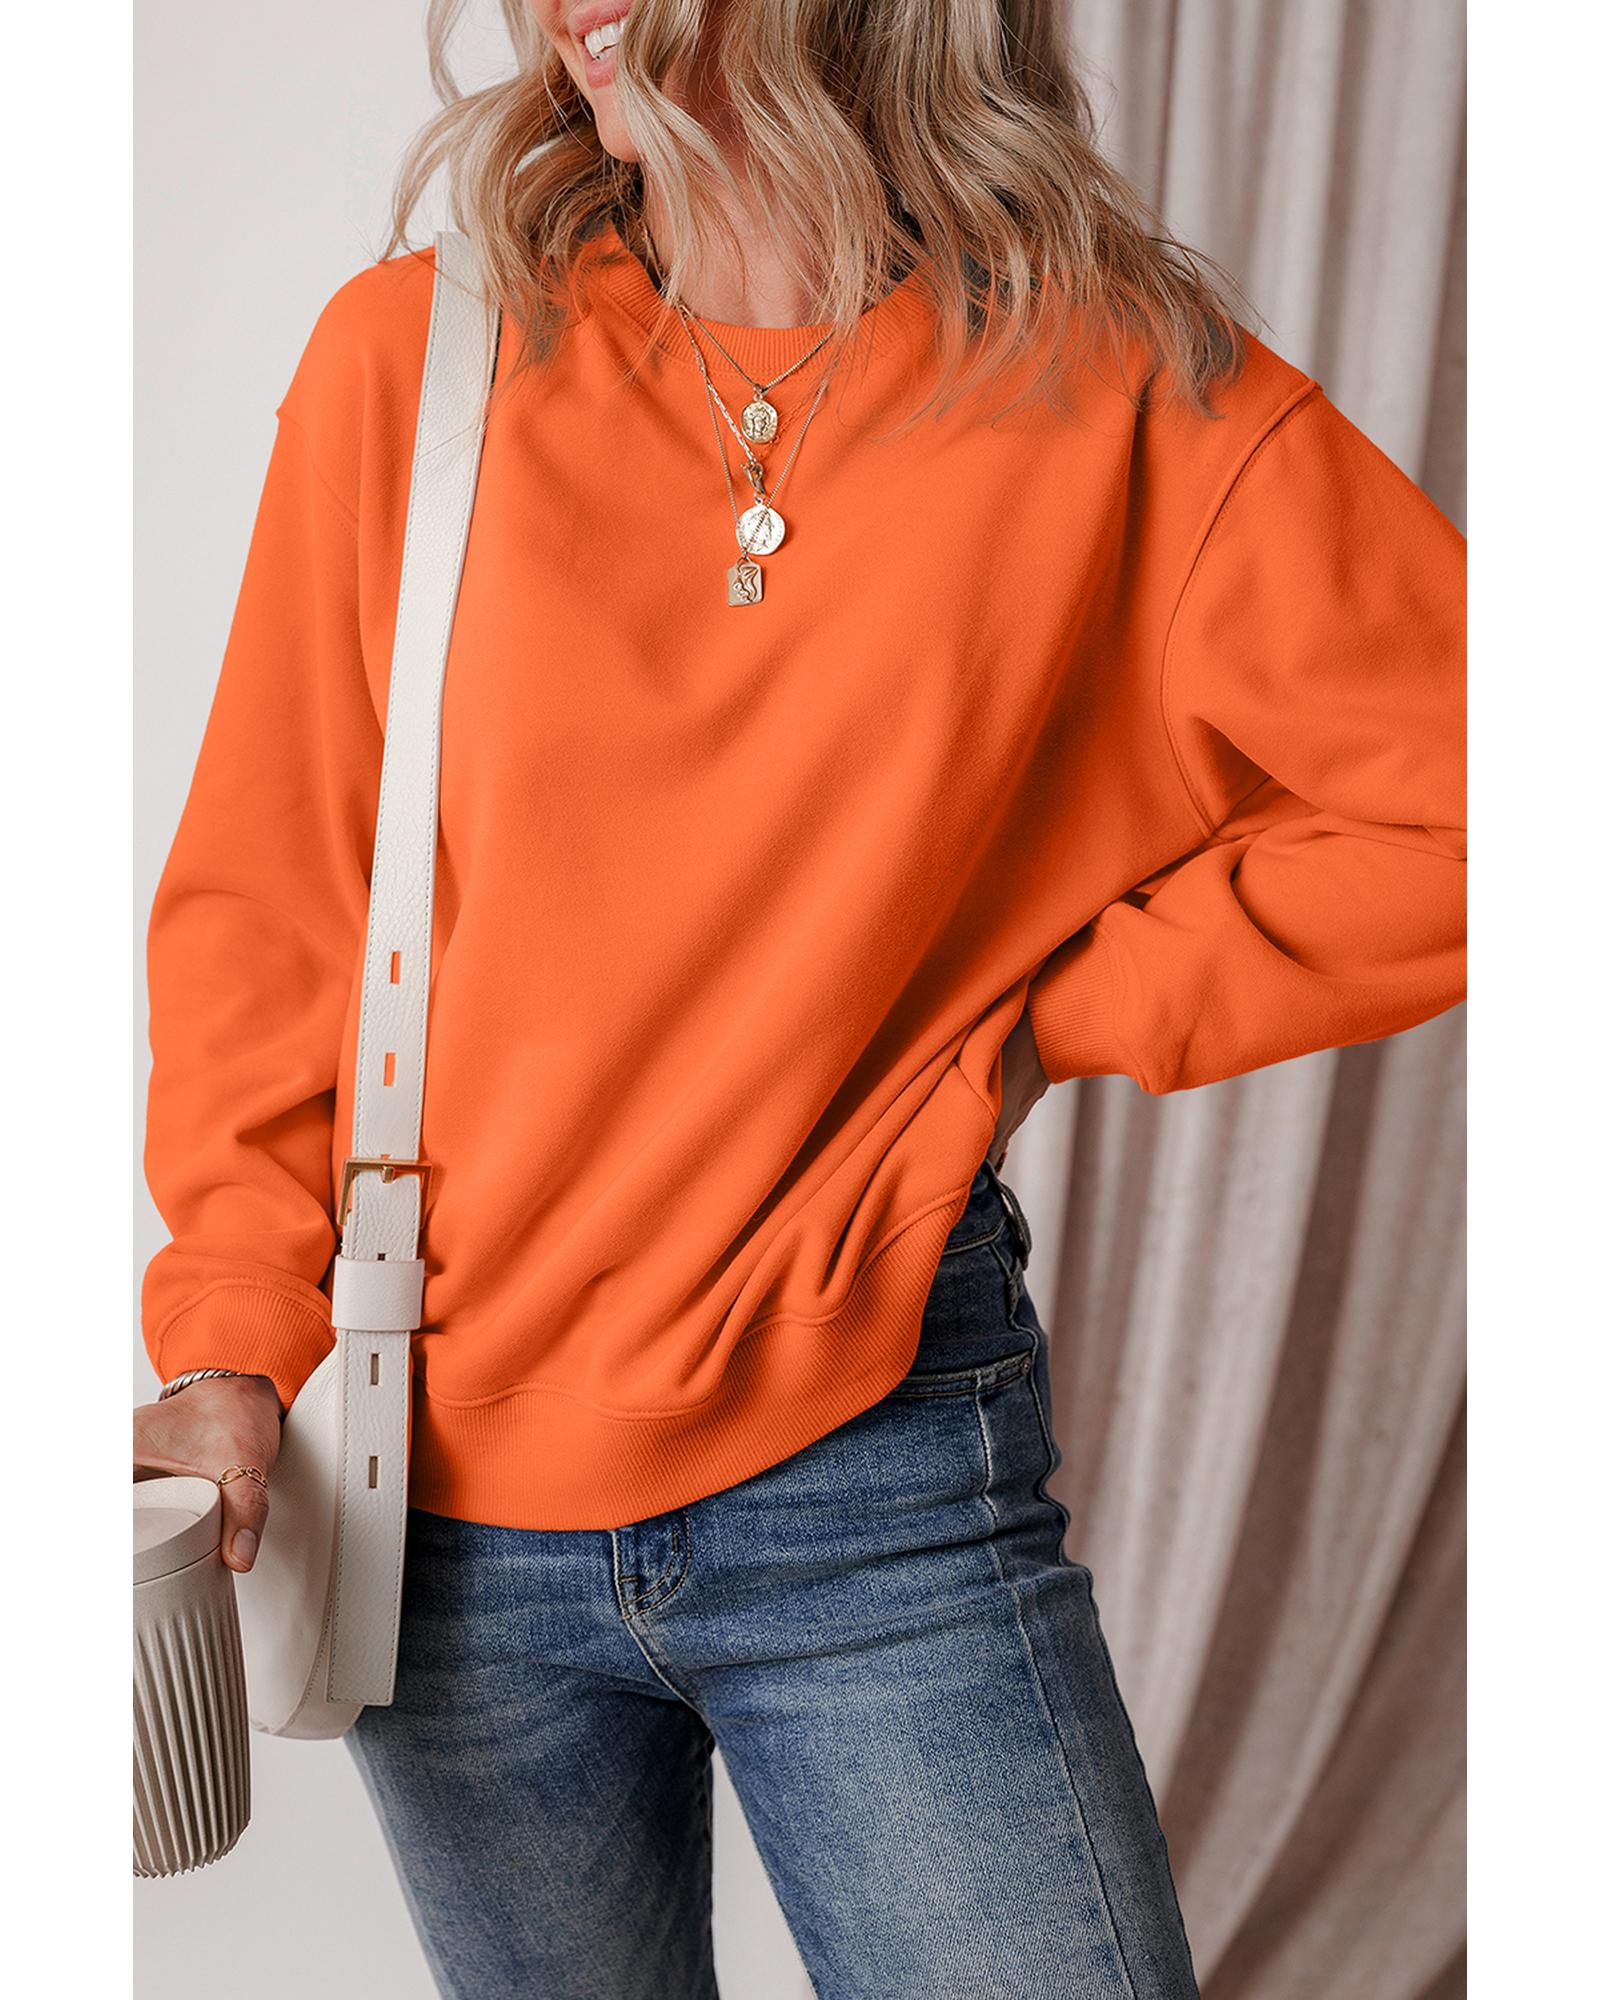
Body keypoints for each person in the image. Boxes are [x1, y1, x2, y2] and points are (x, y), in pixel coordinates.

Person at [133, 4, 1466, 1995]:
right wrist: (231, 1333)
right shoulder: (416, 362)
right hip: (442, 1488)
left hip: (878, 1459)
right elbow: (271, 904)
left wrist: (1055, 1013)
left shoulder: (1110, 391)